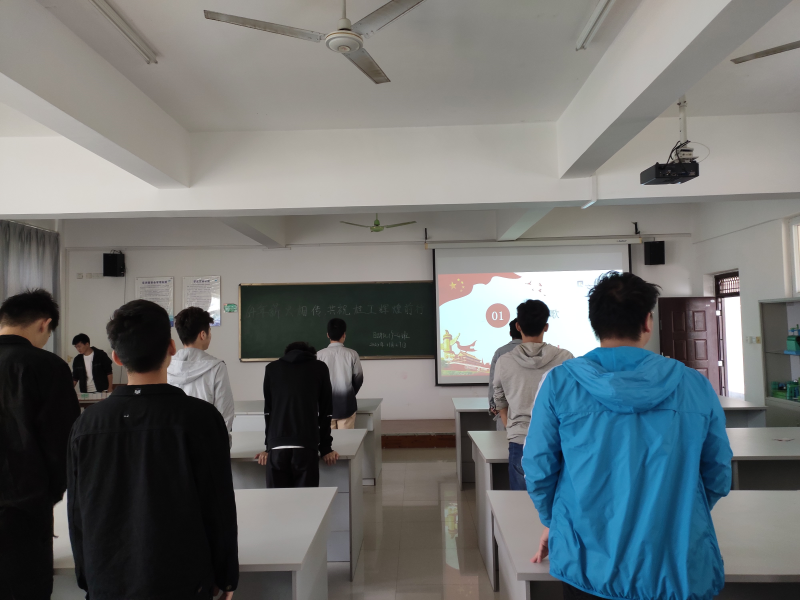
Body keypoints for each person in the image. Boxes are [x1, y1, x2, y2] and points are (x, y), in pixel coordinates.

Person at [524, 272, 733, 600]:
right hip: (675, 564)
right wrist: (678, 510)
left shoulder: (559, 383)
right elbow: (718, 472)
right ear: (647, 321)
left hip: (586, 561)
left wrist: (555, 522)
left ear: (595, 323)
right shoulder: (694, 384)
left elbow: (538, 469)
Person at [67, 300, 238, 600]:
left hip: (107, 581)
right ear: (171, 348)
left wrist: (87, 576)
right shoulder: (201, 419)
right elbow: (219, 507)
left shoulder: (86, 425)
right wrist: (226, 577)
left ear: (116, 358)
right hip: (183, 581)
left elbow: (77, 512)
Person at [0, 289, 80, 600]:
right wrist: (51, 497)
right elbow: (64, 443)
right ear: (44, 324)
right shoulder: (46, 366)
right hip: (23, 515)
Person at [493, 300, 573, 491]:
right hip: (557, 439)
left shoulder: (504, 361)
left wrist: (511, 427)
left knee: (522, 503)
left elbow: (499, 400)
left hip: (520, 440)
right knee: (558, 500)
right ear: (546, 326)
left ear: (518, 326)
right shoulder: (566, 358)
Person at [256, 342, 338, 488]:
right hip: (306, 446)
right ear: (311, 355)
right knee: (306, 499)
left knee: (277, 499)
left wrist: (269, 446)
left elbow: (268, 411)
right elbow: (326, 411)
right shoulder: (319, 368)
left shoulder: (272, 368)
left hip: (277, 447)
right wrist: (326, 448)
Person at [168, 306, 235, 445]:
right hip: (207, 444)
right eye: (210, 331)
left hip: (173, 444)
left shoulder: (167, 366)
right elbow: (225, 413)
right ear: (202, 335)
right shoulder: (216, 367)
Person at [316, 318, 363, 429]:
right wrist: (349, 393)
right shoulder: (352, 354)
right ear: (344, 335)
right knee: (346, 438)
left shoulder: (318, 355)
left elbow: (315, 382)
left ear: (328, 335)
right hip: (346, 405)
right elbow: (358, 379)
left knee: (327, 438)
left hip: (324, 406)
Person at [487, 318, 523, 431]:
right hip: (531, 409)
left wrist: (493, 405)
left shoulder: (500, 352)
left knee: (504, 439)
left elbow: (494, 380)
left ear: (510, 333)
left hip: (505, 408)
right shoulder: (540, 351)